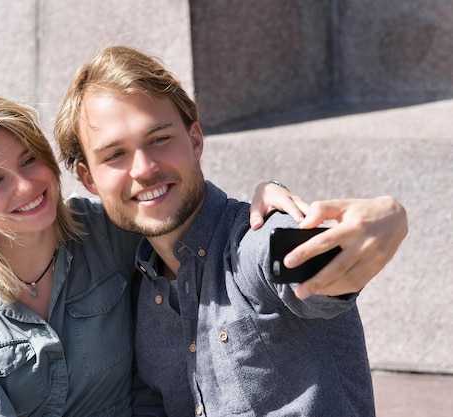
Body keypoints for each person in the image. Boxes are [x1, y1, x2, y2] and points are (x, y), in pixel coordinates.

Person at [54, 45, 408, 416]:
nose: (142, 168)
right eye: (115, 155)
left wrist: (384, 224)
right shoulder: (142, 293)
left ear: (194, 140)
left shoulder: (255, 242)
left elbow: (320, 266)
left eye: (159, 139)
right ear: (88, 178)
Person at [0, 95, 310, 416]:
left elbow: (196, 220)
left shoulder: (107, 232)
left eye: (29, 160)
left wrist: (266, 201)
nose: (26, 185)